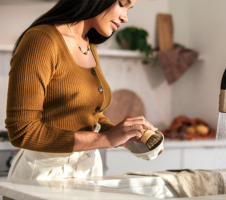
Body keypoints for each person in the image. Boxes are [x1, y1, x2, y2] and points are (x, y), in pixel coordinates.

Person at [5, 0, 158, 181]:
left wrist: (126, 134)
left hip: (87, 173)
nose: (125, 17)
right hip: (44, 177)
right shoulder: (41, 40)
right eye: (122, 4)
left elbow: (92, 116)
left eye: (129, 9)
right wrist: (106, 140)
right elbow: (22, 132)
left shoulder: (87, 45)